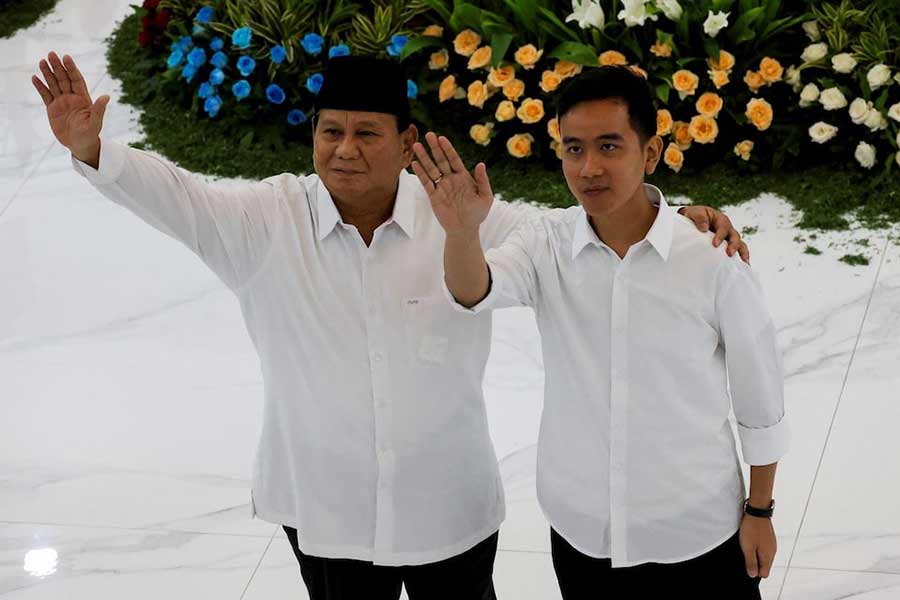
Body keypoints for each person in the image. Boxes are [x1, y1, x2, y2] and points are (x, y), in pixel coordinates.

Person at [32, 52, 749, 599]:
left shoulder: (461, 212)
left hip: (449, 505)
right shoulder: (266, 221)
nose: (344, 149)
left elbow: (572, 234)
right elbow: (178, 196)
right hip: (323, 503)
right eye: (331, 132)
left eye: (366, 133)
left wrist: (676, 215)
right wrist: (95, 151)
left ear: (407, 142)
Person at [416, 66, 789, 599]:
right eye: (573, 149)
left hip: (697, 532)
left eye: (610, 146)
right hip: (584, 533)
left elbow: (761, 397)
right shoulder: (546, 244)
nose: (589, 168)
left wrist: (760, 510)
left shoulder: (710, 258)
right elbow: (474, 291)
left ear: (651, 153)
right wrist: (460, 231)